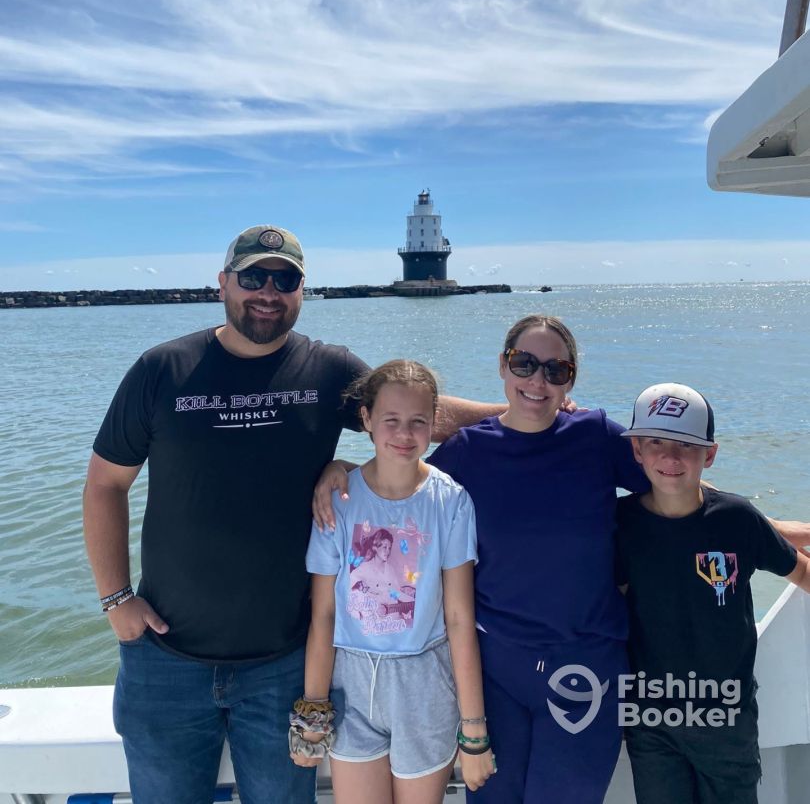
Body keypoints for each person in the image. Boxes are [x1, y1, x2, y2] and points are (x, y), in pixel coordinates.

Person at [314, 314, 810, 804]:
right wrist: (342, 469)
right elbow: (401, 488)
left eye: (556, 370)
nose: (538, 381)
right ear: (503, 366)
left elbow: (680, 488)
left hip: (587, 668)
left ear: (571, 379)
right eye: (524, 364)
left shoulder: (594, 437)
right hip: (495, 671)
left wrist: (771, 529)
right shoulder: (468, 451)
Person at [82, 224, 501, 804]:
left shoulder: (327, 370)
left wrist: (524, 410)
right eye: (253, 276)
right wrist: (115, 599)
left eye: (285, 280)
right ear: (223, 282)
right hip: (165, 659)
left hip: (284, 664)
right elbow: (105, 484)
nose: (268, 291)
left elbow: (408, 411)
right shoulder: (162, 369)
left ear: (302, 290)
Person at [290, 360, 495, 803]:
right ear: (366, 419)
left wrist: (474, 731)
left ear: (434, 422)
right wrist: (313, 710)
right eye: (391, 420)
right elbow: (324, 615)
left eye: (418, 421)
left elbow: (459, 619)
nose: (404, 433)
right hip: (349, 683)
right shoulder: (337, 501)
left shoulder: (451, 502)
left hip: (425, 682)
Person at [616, 382, 810, 804]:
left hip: (727, 717)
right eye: (656, 442)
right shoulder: (619, 523)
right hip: (650, 720)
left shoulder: (738, 519)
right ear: (636, 450)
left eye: (687, 445)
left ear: (710, 455)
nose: (671, 457)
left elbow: (799, 570)